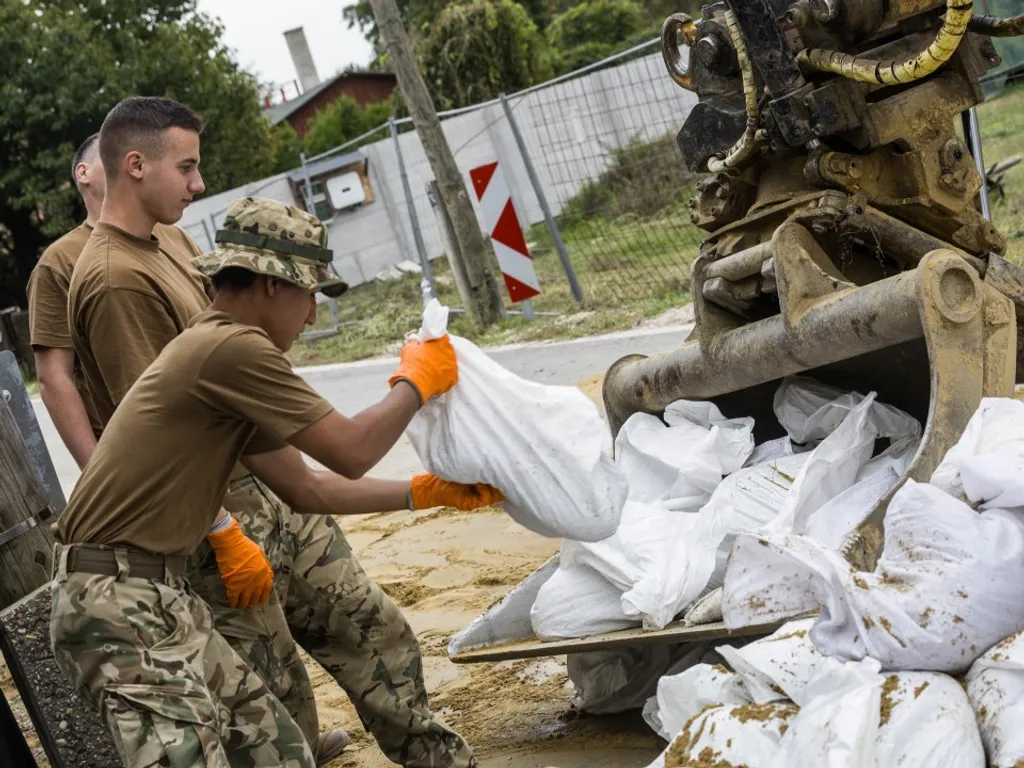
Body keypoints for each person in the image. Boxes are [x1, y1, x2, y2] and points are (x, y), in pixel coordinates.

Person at [65, 96, 480, 767]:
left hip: (155, 587)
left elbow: (307, 485)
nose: (313, 315)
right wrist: (418, 378)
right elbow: (349, 450)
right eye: (310, 293)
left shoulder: (219, 346)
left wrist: (424, 492)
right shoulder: (228, 346)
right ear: (266, 285)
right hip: (116, 599)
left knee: (279, 747)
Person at [26, 133, 201, 468]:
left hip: (216, 436)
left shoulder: (174, 236)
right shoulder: (59, 262)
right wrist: (98, 473)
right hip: (142, 456)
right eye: (109, 160)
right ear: (83, 173)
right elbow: (53, 378)